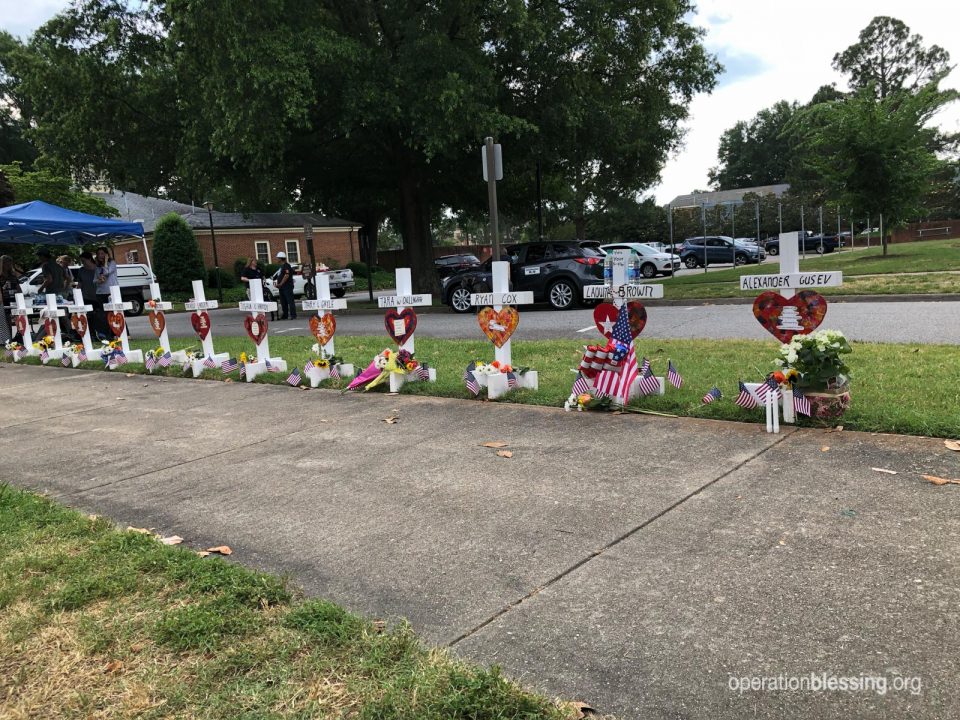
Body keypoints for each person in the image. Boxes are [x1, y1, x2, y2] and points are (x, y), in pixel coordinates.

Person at [76, 251, 107, 340]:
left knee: (98, 316)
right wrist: (77, 295)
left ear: (90, 259)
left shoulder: (97, 269)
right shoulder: (81, 270)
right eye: (81, 261)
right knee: (88, 316)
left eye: (84, 260)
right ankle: (91, 334)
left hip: (97, 296)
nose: (83, 263)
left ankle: (101, 333)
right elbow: (80, 283)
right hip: (86, 296)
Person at [94, 247, 118, 339]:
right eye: (99, 254)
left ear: (106, 254)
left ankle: (120, 332)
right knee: (104, 315)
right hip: (101, 292)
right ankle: (106, 334)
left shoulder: (112, 263)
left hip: (111, 291)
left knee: (114, 312)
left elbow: (107, 272)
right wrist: (98, 280)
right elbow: (94, 280)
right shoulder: (97, 267)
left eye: (102, 253)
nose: (100, 255)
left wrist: (106, 261)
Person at [0, 254, 21, 343]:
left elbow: (18, 287)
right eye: (6, 263)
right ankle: (9, 339)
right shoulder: (0, 276)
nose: (8, 265)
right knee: (7, 320)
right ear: (2, 264)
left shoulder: (13, 275)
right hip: (4, 300)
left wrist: (21, 296)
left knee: (18, 319)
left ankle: (20, 336)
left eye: (10, 263)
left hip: (14, 299)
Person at [275, 251, 296, 320]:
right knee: (283, 302)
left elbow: (286, 275)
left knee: (290, 301)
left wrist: (281, 283)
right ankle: (285, 315)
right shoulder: (282, 266)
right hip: (282, 287)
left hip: (287, 287)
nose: (277, 259)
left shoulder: (286, 266)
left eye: (278, 258)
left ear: (281, 258)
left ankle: (293, 315)